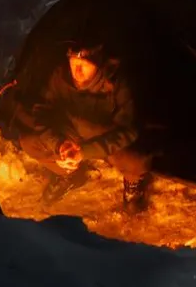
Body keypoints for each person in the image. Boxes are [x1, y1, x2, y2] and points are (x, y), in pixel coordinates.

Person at [16, 44, 153, 213]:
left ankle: (133, 184)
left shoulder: (116, 81)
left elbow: (128, 130)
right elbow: (42, 112)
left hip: (106, 136)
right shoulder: (61, 75)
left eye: (84, 65)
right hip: (73, 132)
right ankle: (69, 174)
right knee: (30, 142)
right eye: (73, 64)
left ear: (97, 65)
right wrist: (59, 144)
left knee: (136, 160)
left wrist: (86, 152)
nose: (77, 71)